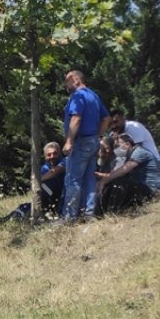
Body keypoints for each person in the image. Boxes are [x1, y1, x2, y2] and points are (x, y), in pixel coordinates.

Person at [61, 70, 112, 221]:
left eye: (67, 81)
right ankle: (89, 214)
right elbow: (107, 118)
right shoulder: (93, 95)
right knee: (89, 179)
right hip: (92, 142)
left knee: (73, 179)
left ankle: (69, 217)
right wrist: (97, 135)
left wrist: (69, 141)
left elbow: (76, 119)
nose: (66, 84)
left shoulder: (78, 96)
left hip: (80, 142)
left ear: (76, 80)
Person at [0, 141, 66, 223]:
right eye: (49, 154)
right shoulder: (44, 167)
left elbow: (56, 171)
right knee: (25, 206)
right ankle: (5, 220)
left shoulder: (64, 162)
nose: (52, 156)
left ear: (59, 153)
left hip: (60, 199)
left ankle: (29, 215)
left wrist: (39, 181)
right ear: (45, 156)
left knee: (49, 182)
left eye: (55, 153)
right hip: (46, 200)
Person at [97, 133, 160, 214]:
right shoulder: (130, 154)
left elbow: (123, 170)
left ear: (127, 144)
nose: (116, 149)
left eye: (118, 145)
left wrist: (103, 181)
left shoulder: (140, 152)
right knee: (113, 183)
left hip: (151, 189)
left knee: (120, 181)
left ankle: (112, 212)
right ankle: (101, 212)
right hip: (140, 188)